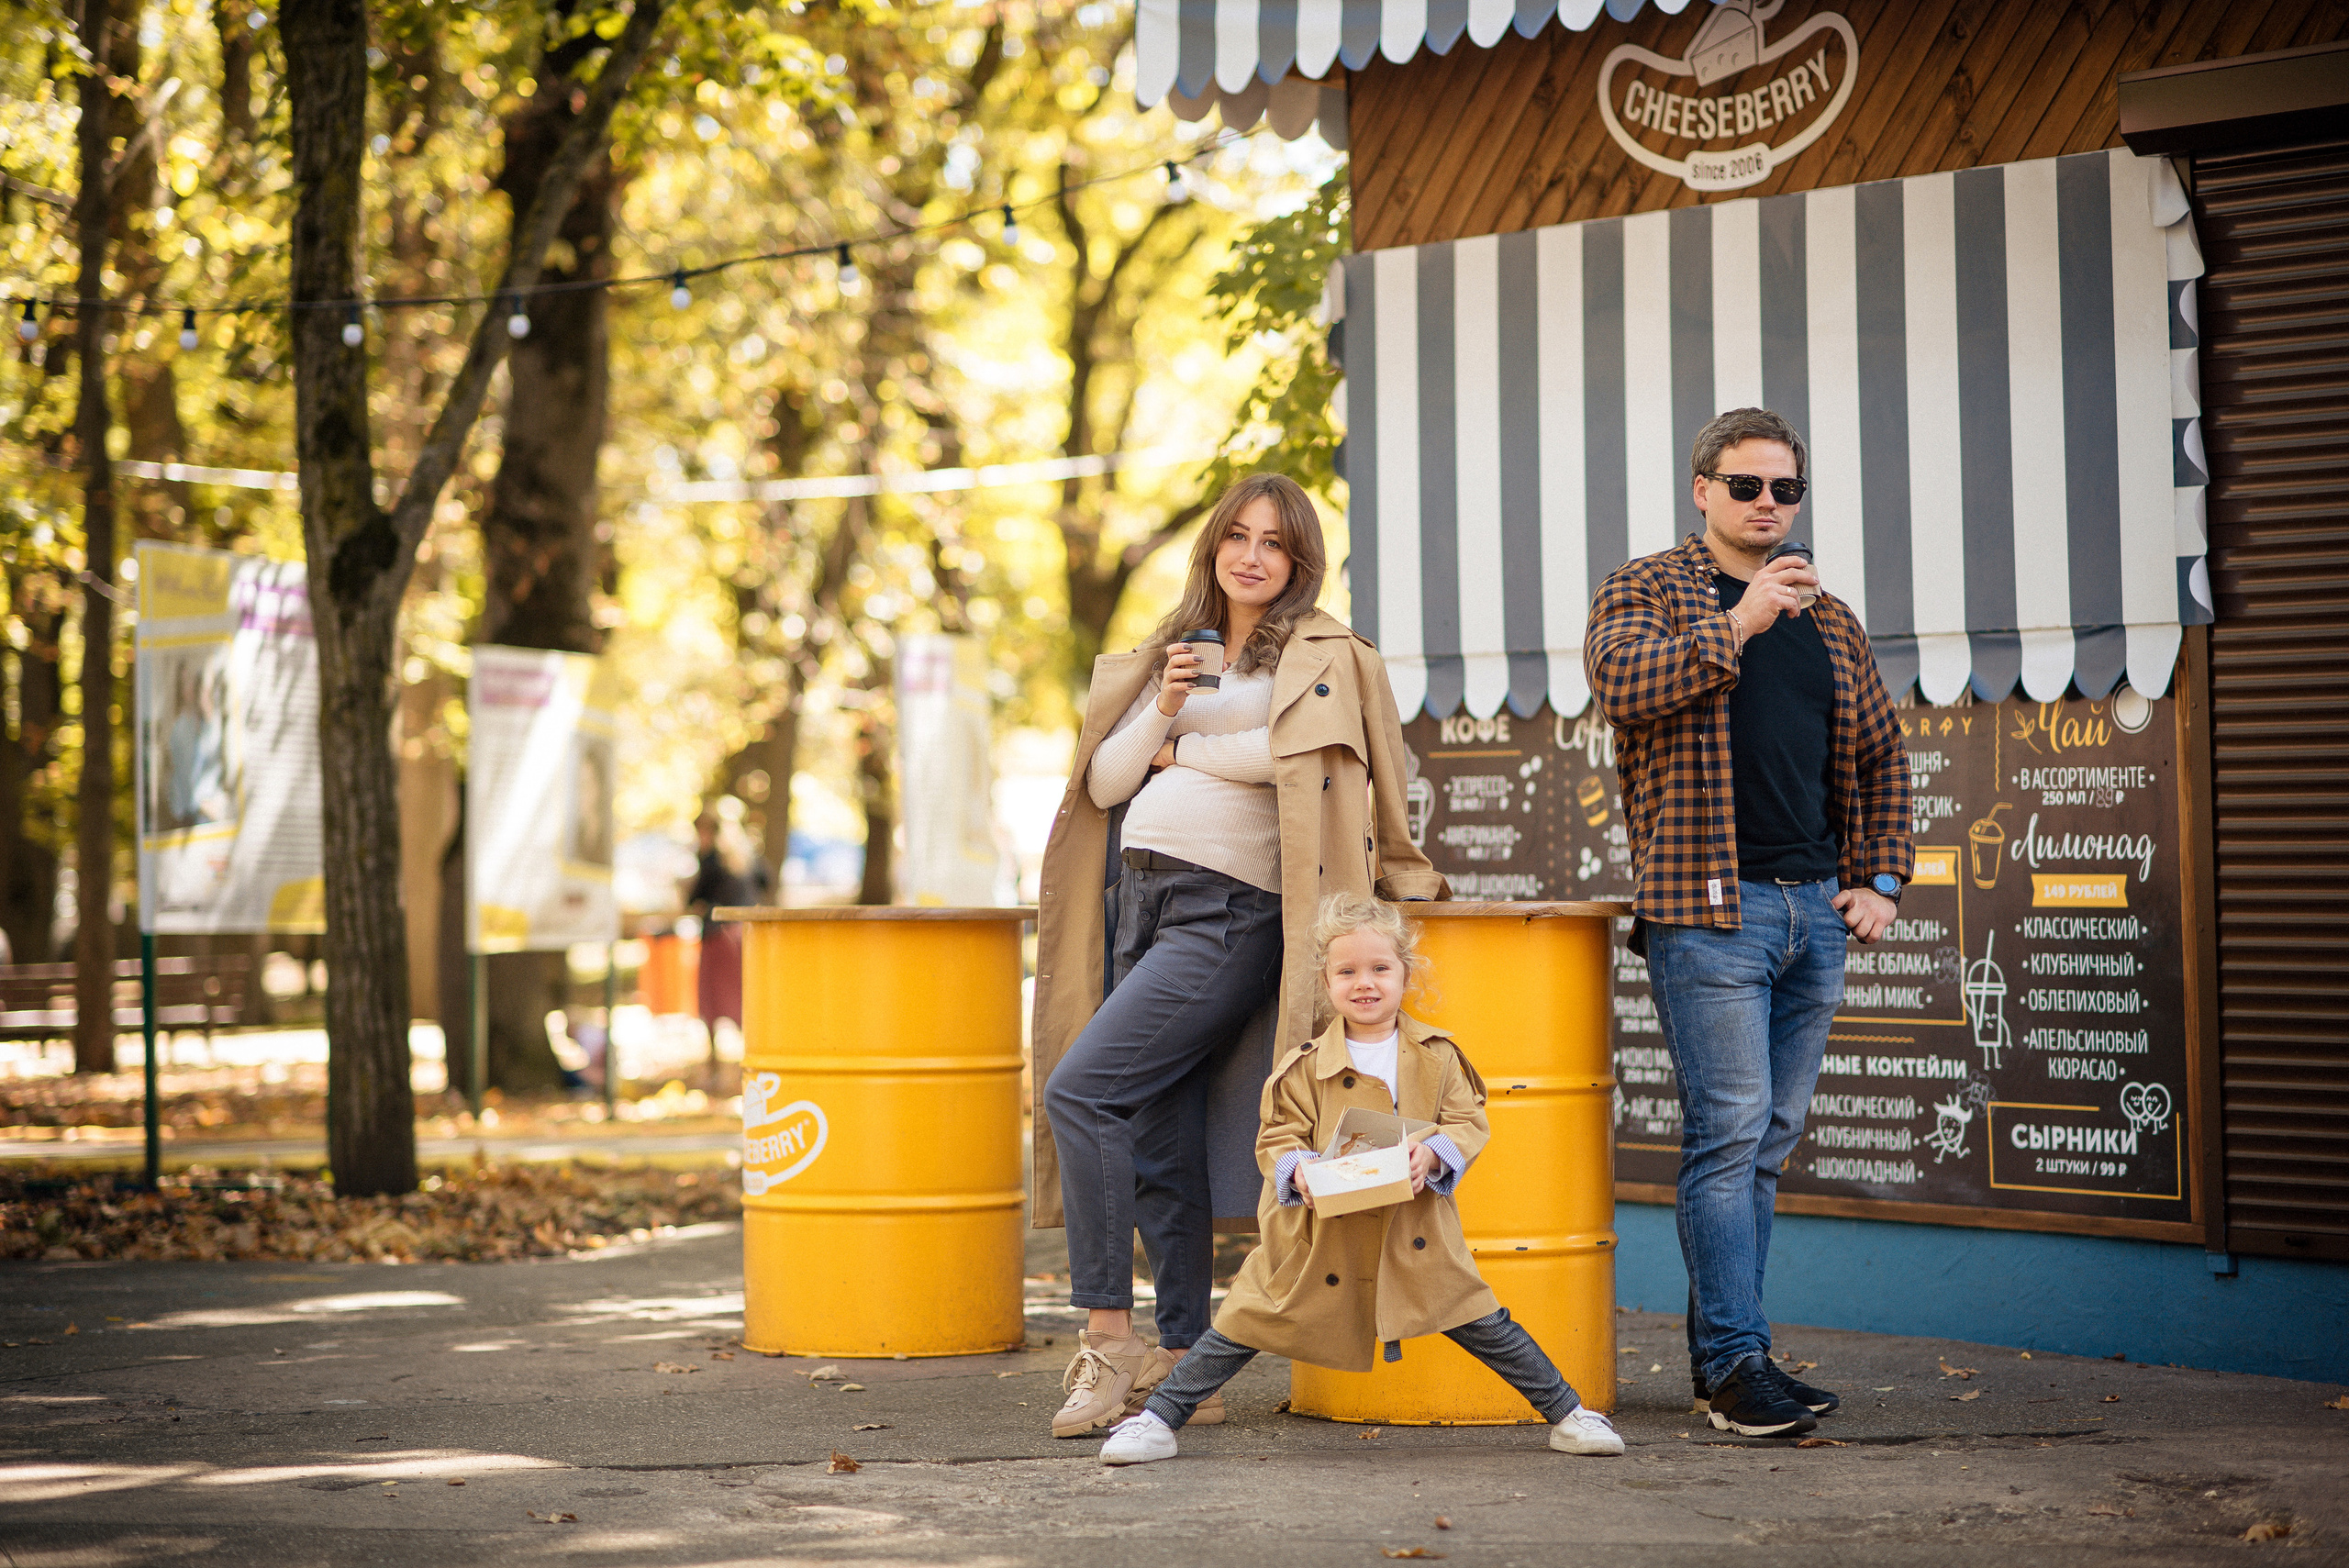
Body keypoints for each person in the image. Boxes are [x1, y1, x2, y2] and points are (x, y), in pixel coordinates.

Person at [1032, 473, 1446, 1439]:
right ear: (1213, 544)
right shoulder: (1168, 651)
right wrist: (1163, 710)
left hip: (1228, 913)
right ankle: (1187, 1361)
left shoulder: (1318, 653)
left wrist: (1188, 753)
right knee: (1161, 1134)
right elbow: (1101, 780)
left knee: (1082, 1090)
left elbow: (1301, 765)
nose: (1252, 554)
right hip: (1139, 904)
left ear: (1299, 562)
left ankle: (1108, 1333)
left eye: (1275, 542)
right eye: (1238, 536)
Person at [1585, 406, 1913, 1440]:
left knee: (1765, 1143)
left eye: (1784, 490)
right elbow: (1623, 687)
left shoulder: (1832, 617)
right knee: (1726, 1135)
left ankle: (1730, 1358)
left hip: (1811, 913)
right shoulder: (1646, 589)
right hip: (1707, 913)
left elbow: (1879, 756)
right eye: (1746, 487)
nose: (1767, 506)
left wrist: (1882, 880)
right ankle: (1734, 1365)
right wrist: (1739, 622)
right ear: (1702, 491)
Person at [1095, 893, 1623, 1464]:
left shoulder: (1438, 1056)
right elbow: (1276, 1139)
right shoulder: (1301, 1068)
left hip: (1412, 1226)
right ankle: (1157, 1420)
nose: (1364, 983)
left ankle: (1570, 1415)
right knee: (1244, 1321)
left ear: (1405, 974)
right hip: (1321, 1234)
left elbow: (1468, 1120)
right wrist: (1302, 1170)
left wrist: (1436, 1155)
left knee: (1480, 1319)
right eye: (1347, 971)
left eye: (1380, 969)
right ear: (1326, 982)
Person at [683, 800, 771, 1062]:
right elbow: (766, 881)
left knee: (714, 1000)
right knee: (742, 995)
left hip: (718, 935)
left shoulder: (712, 860)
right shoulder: (747, 857)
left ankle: (715, 1062)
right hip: (744, 933)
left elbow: (695, 899)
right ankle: (752, 1052)